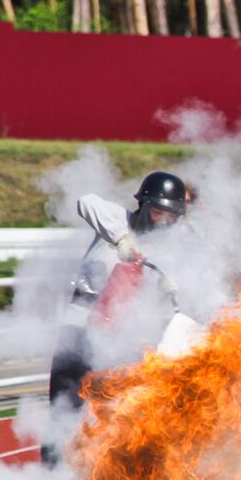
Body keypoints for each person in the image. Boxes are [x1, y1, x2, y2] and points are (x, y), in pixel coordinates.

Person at [43, 172, 190, 465]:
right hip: (80, 326)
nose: (161, 220)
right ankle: (50, 477)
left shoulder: (169, 250)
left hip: (121, 337)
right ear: (143, 206)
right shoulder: (117, 219)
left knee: (111, 416)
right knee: (65, 410)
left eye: (169, 215)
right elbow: (86, 202)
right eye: (156, 211)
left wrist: (170, 288)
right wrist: (122, 239)